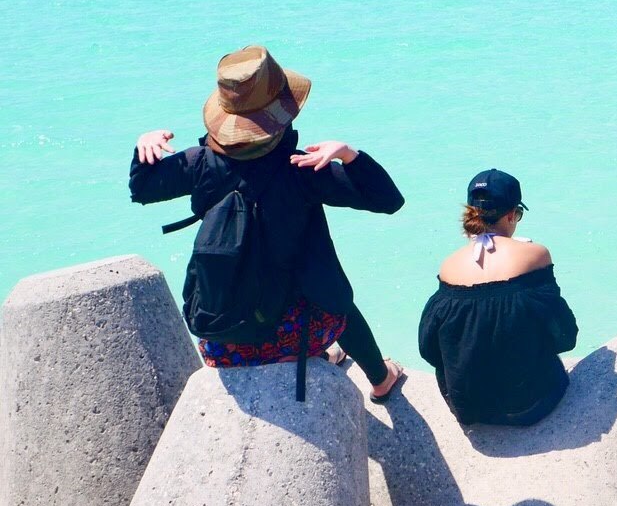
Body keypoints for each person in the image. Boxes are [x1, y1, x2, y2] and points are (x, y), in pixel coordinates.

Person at [129, 45, 408, 401]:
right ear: (282, 115)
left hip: (223, 339)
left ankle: (322, 353)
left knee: (296, 292)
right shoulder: (303, 170)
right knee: (335, 300)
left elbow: (142, 189)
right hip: (292, 333)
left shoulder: (199, 163)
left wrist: (144, 146)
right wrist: (348, 155)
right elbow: (388, 201)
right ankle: (380, 379)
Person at [418, 169, 578, 427]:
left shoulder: (449, 266)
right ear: (511, 215)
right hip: (530, 405)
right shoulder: (535, 255)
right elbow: (565, 334)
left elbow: (428, 347)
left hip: (468, 409)